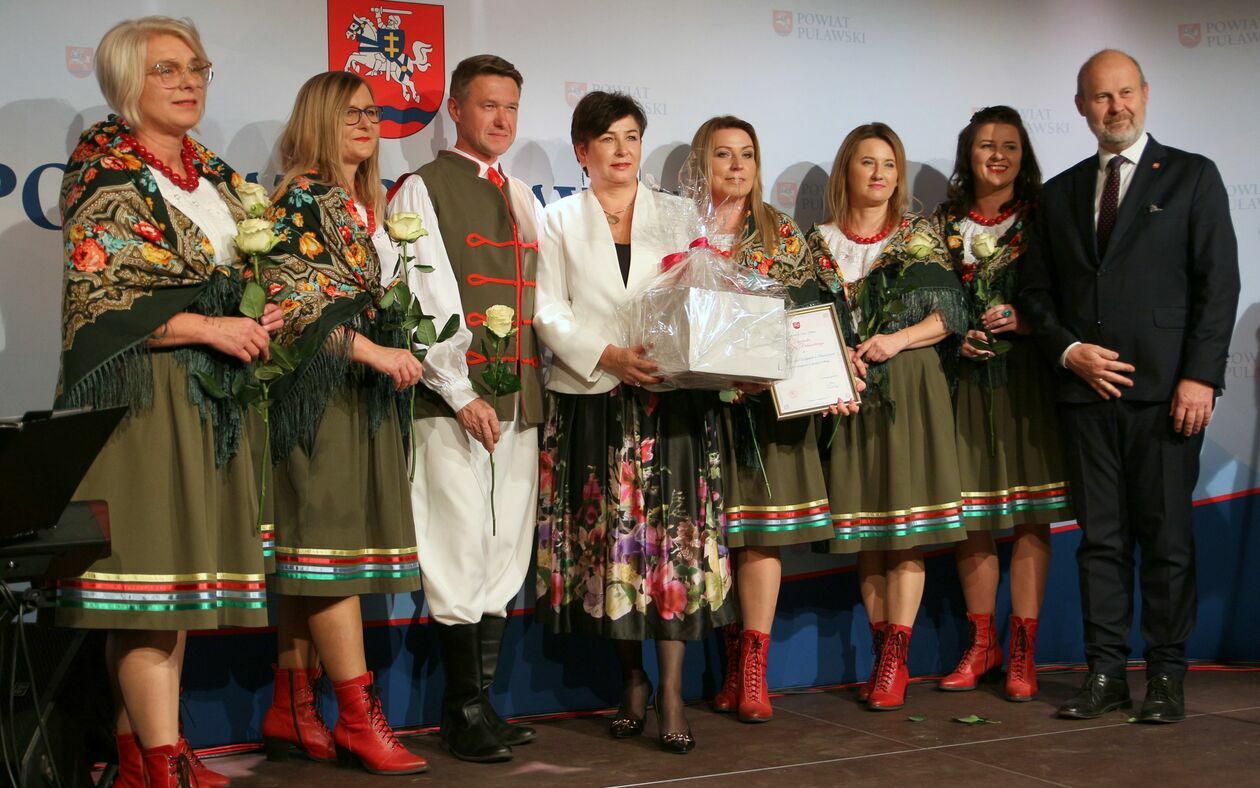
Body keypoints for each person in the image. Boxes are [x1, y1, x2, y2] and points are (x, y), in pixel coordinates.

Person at [51, 16, 278, 787]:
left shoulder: (214, 176)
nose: (187, 82)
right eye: (166, 69)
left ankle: (143, 762)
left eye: (196, 67)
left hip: (208, 400)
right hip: (143, 403)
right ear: (125, 82)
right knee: (146, 591)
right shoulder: (104, 171)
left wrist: (261, 313)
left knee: (168, 593)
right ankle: (162, 763)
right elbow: (101, 301)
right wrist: (210, 325)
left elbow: (242, 275)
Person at [1021, 50, 1239, 723]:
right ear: (1081, 106)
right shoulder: (1058, 192)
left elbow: (1218, 285)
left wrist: (1200, 376)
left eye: (1124, 93)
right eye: (1100, 97)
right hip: (1086, 396)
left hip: (1168, 396)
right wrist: (1069, 352)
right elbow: (1035, 294)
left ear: (1144, 93)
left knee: (1167, 542)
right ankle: (1105, 674)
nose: (1115, 107)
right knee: (1101, 543)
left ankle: (1166, 676)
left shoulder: (1193, 176)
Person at [534, 91, 735, 754]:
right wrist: (610, 356)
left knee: (671, 548)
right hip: (593, 396)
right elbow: (548, 310)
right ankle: (633, 680)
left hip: (669, 402)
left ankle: (673, 691)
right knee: (612, 549)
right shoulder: (558, 218)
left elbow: (702, 296)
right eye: (607, 139)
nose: (622, 151)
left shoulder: (678, 214)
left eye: (631, 137)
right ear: (582, 151)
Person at [259, 70, 427, 775]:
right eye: (348, 113)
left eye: (371, 113)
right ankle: (359, 720)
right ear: (316, 122)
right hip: (319, 396)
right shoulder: (304, 197)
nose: (364, 124)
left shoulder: (364, 203)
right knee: (328, 557)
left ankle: (293, 709)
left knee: (312, 554)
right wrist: (375, 350)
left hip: (357, 394)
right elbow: (294, 305)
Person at [386, 53, 543, 764]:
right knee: (455, 544)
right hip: (454, 401)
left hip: (520, 400)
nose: (501, 119)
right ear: (455, 108)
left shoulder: (522, 195)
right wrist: (459, 390)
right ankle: (459, 710)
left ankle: (482, 702)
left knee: (504, 549)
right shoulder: (422, 188)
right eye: (487, 104)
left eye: (510, 106)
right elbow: (421, 295)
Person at [685, 116, 856, 723]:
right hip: (698, 409)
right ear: (700, 164)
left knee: (759, 535)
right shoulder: (679, 229)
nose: (737, 166)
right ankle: (731, 663)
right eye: (723, 155)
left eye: (747, 155)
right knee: (716, 538)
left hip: (770, 411)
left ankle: (754, 672)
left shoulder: (780, 231)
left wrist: (831, 374)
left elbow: (814, 312)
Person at [807, 123, 968, 711]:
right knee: (865, 532)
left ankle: (897, 661)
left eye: (889, 164)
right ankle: (882, 656)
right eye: (867, 162)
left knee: (905, 531)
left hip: (910, 388)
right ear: (845, 171)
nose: (879, 174)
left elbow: (952, 314)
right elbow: (802, 320)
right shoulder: (816, 242)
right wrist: (836, 361)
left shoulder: (918, 236)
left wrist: (897, 340)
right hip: (846, 392)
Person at [930, 106, 1071, 702]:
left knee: (1032, 515)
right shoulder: (941, 222)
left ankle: (1022, 652)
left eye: (1010, 146)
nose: (998, 156)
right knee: (973, 516)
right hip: (965, 383)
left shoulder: (1046, 216)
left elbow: (1075, 293)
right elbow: (926, 299)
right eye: (987, 145)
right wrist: (956, 332)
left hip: (1028, 382)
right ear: (969, 153)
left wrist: (1028, 320)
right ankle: (981, 643)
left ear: (1023, 155)